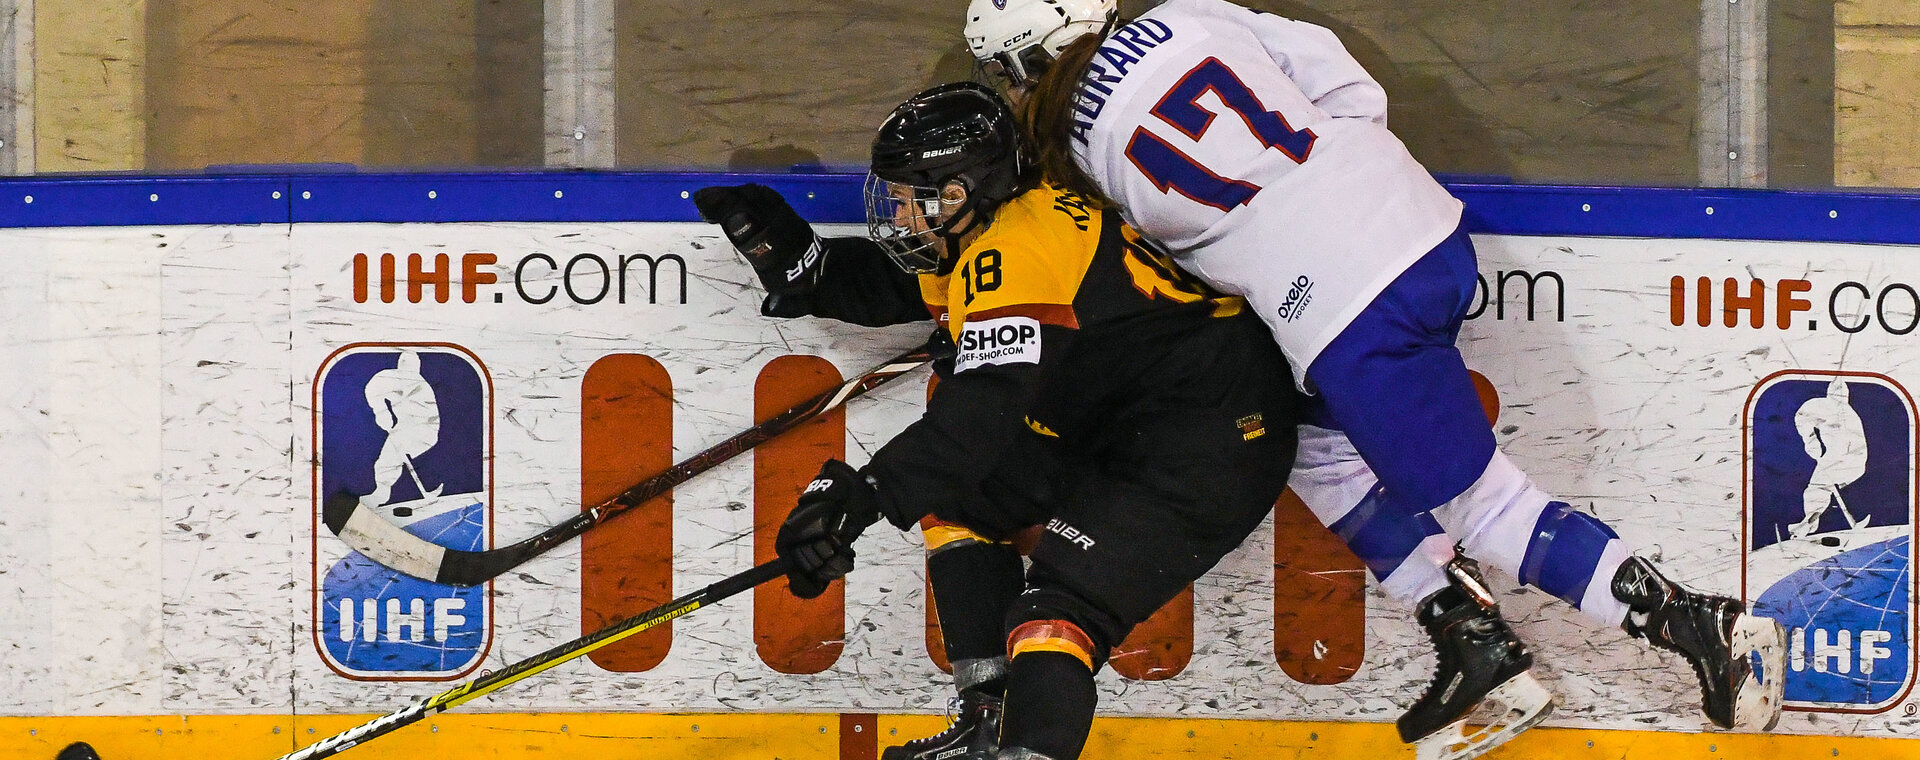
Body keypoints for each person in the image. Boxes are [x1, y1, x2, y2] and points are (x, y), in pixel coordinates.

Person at [964, 0, 1789, 757]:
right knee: (1315, 449)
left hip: (1345, 310)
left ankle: (1696, 625)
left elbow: (1179, 273)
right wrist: (1345, 187)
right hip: (1420, 224)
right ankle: (1473, 641)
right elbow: (1341, 78)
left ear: (1027, 61)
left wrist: (1295, 250)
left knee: (1486, 505)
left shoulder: (1078, 151)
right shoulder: (1187, 14)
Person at [693, 81, 1300, 760]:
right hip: (1123, 426)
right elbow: (914, 290)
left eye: (906, 198)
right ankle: (989, 725)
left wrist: (859, 497)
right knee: (960, 496)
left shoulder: (1019, 245)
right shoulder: (991, 229)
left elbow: (979, 416)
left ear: (956, 193)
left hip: (1209, 439)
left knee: (1057, 612)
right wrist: (815, 271)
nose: (896, 214)